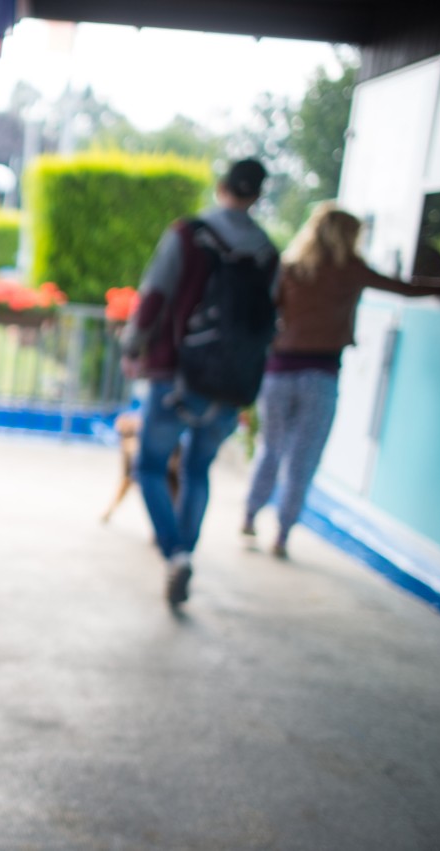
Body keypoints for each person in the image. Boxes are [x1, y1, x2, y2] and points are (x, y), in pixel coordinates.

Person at [242, 203, 440, 557]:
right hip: (321, 374)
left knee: (271, 448)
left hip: (279, 371)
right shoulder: (351, 270)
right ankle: (282, 534)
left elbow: (263, 312)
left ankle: (249, 516)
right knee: (302, 459)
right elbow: (404, 288)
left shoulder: (291, 268)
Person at [120, 158, 279, 606]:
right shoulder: (268, 252)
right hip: (230, 386)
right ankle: (186, 549)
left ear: (222, 185)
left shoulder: (188, 235)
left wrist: (133, 347)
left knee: (149, 467)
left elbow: (154, 295)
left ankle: (175, 554)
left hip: (176, 377)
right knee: (197, 469)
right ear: (257, 196)